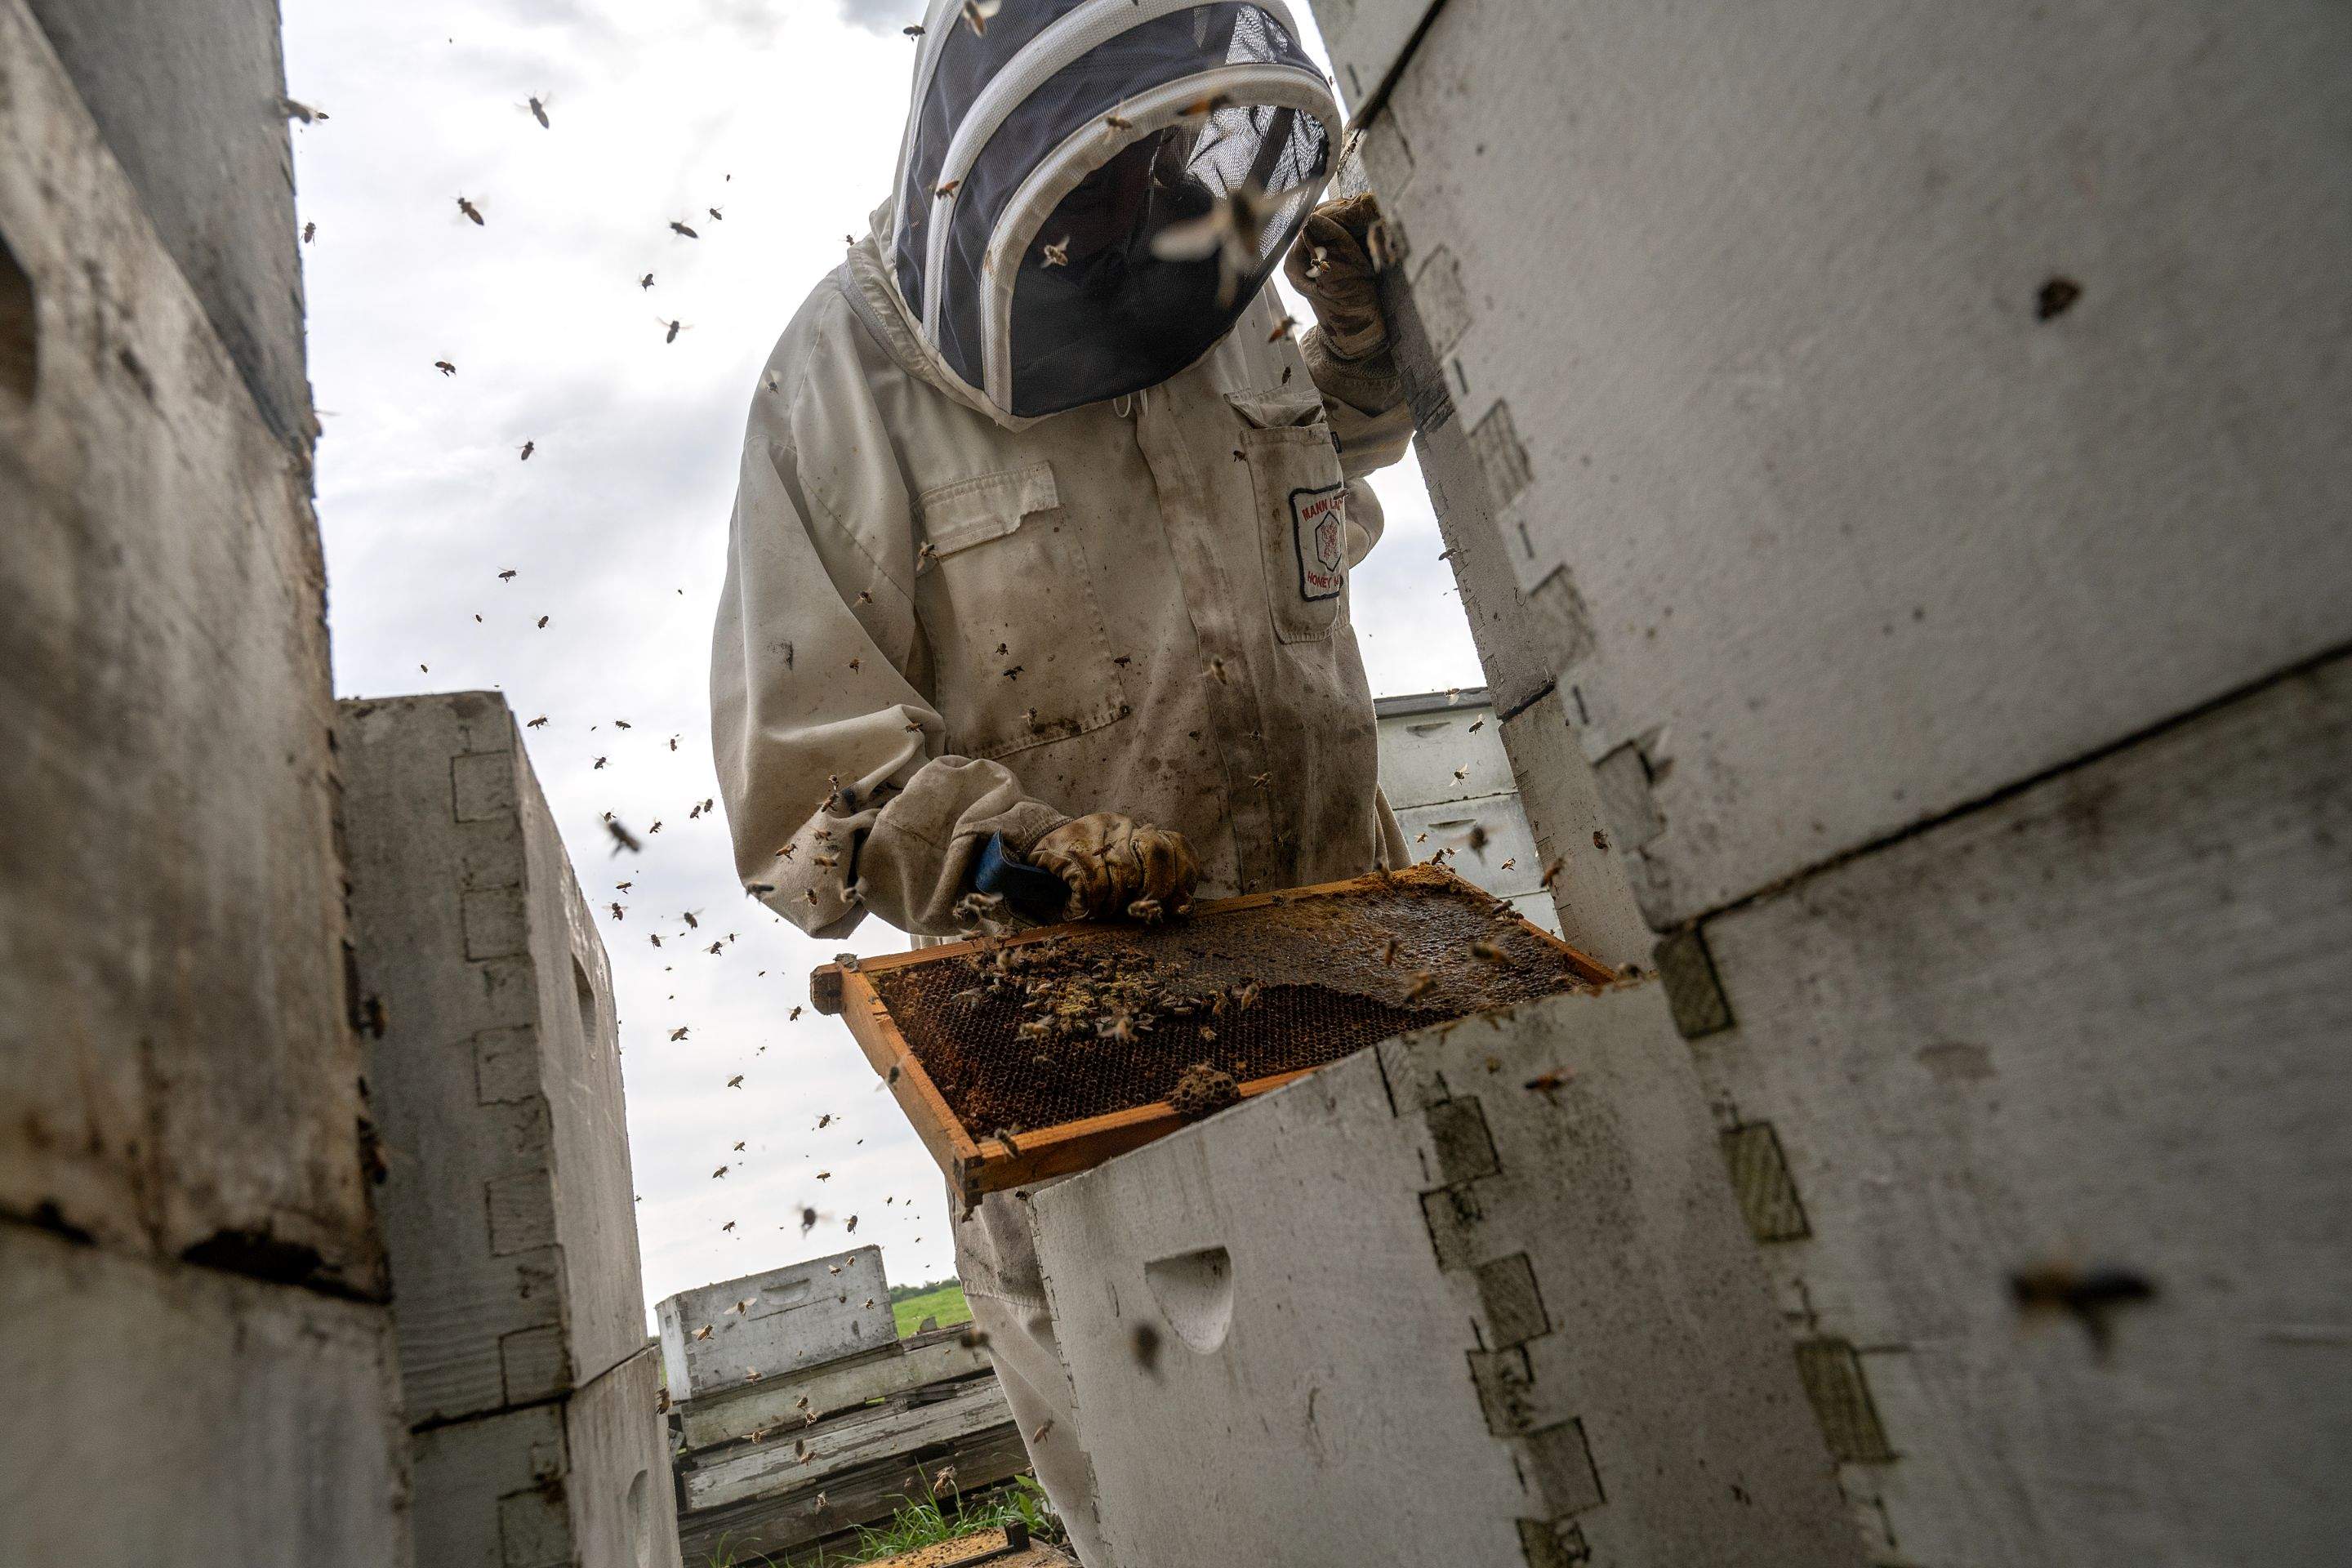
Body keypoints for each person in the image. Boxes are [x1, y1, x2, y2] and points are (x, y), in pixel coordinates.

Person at [710, 4, 1405, 1560]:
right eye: (1096, 171)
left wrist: (1364, 349)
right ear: (993, 151)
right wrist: (1032, 864)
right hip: (1087, 1074)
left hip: (1365, 975)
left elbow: (1314, 486)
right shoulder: (840, 377)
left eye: (1162, 151)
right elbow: (810, 793)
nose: (1138, 195)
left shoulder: (1208, 268)